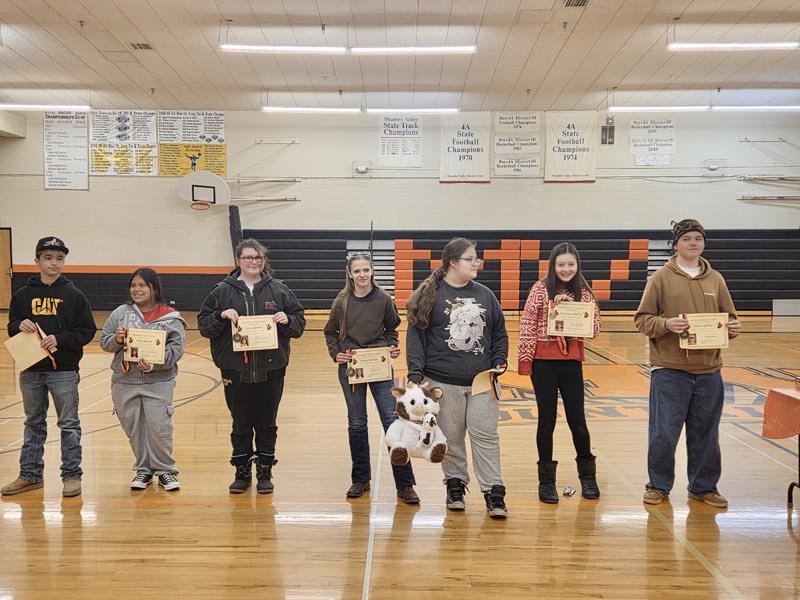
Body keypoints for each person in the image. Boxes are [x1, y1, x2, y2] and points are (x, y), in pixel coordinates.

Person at [634, 219, 741, 508]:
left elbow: (729, 316)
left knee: (706, 434)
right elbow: (642, 320)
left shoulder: (715, 279)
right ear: (676, 244)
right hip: (669, 370)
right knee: (664, 433)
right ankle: (658, 485)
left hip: (709, 371)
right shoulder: (659, 278)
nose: (693, 243)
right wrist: (666, 323)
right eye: (687, 239)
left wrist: (732, 326)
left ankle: (704, 487)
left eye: (698, 239)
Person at [405, 237, 509, 518]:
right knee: (451, 438)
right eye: (470, 258)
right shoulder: (430, 295)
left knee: (486, 436)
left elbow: (499, 332)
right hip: (441, 382)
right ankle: (455, 485)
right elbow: (416, 337)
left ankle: (493, 492)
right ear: (453, 261)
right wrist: (415, 374)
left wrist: (500, 358)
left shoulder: (486, 294)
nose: (476, 263)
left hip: (481, 381)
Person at [198, 239, 305, 494]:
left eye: (257, 258)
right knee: (241, 422)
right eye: (248, 258)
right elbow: (204, 325)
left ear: (263, 261)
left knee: (267, 423)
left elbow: (299, 324)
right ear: (238, 260)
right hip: (235, 369)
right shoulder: (221, 291)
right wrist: (220, 316)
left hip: (272, 368)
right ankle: (242, 471)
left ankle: (265, 471)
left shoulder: (279, 290)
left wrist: (286, 318)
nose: (253, 262)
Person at [1, 237, 97, 497]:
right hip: (30, 369)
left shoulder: (74, 295)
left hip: (64, 371)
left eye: (59, 258)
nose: (54, 263)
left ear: (64, 262)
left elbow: (87, 330)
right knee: (33, 422)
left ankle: (71, 476)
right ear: (37, 261)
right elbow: (11, 327)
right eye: (48, 258)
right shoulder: (22, 295)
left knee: (68, 424)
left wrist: (61, 339)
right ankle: (30, 475)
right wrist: (18, 325)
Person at [323, 253, 420, 504]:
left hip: (379, 368)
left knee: (392, 422)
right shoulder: (341, 301)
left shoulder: (383, 299)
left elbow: (392, 329)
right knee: (357, 423)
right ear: (350, 274)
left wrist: (392, 346)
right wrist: (337, 354)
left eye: (366, 270)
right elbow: (330, 332)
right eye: (357, 271)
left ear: (372, 271)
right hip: (352, 369)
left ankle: (405, 483)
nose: (362, 275)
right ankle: (360, 479)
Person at [517, 242, 602, 503]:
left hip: (571, 362)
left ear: (578, 266)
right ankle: (546, 482)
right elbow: (528, 324)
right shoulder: (540, 290)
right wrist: (525, 360)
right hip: (543, 364)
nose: (566, 269)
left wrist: (571, 311)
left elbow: (595, 328)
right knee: (546, 421)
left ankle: (587, 478)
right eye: (561, 264)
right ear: (553, 266)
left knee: (578, 421)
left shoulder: (584, 293)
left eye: (571, 264)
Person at [100, 268, 186, 491]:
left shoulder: (170, 316)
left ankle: (166, 471)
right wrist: (117, 340)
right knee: (133, 427)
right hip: (124, 381)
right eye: (133, 286)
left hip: (159, 382)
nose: (136, 290)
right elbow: (105, 342)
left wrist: (156, 363)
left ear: (153, 288)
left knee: (159, 427)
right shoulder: (120, 313)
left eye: (142, 285)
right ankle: (143, 470)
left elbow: (176, 349)